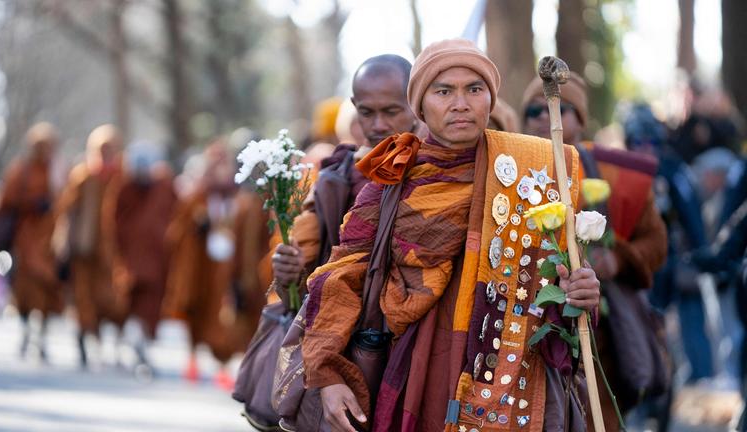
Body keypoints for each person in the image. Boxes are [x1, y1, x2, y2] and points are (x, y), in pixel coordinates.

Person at [302, 39, 601, 432]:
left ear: (490, 102)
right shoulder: (392, 181)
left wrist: (580, 292)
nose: (460, 103)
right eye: (444, 91)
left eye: (474, 90)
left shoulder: (534, 173)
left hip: (511, 376)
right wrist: (327, 374)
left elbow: (559, 281)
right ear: (420, 106)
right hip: (416, 370)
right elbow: (340, 275)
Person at [522, 78, 668, 429]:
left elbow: (657, 243)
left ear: (581, 118)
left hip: (596, 340)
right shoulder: (514, 170)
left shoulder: (617, 175)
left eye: (559, 108)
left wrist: (616, 259)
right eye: (534, 110)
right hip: (528, 336)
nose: (545, 116)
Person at [271, 54, 420, 303]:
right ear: (355, 105)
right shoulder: (335, 180)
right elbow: (301, 294)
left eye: (391, 111)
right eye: (366, 113)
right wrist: (290, 273)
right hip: (350, 330)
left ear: (416, 104)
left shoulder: (439, 170)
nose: (378, 125)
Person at [164, 140, 270, 389]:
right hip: (200, 268)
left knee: (224, 316)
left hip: (226, 270)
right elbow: (176, 232)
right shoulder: (197, 196)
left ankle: (225, 364)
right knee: (197, 310)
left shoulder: (242, 197)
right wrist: (196, 227)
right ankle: (193, 358)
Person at [56, 124, 126, 368]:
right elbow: (67, 212)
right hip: (84, 250)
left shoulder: (122, 176)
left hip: (112, 252)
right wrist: (64, 243)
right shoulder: (83, 175)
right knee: (83, 298)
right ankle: (84, 339)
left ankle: (107, 342)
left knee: (110, 298)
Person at [0, 122, 64, 360]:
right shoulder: (21, 170)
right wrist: (31, 203)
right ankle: (26, 329)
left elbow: (67, 198)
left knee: (48, 288)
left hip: (50, 240)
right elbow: (4, 201)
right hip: (25, 238)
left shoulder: (58, 170)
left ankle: (43, 335)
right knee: (25, 289)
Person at [111, 141, 177, 374]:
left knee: (149, 308)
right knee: (127, 303)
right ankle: (126, 344)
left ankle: (140, 346)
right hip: (130, 261)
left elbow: (178, 214)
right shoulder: (124, 188)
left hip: (157, 259)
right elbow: (113, 222)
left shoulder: (164, 187)